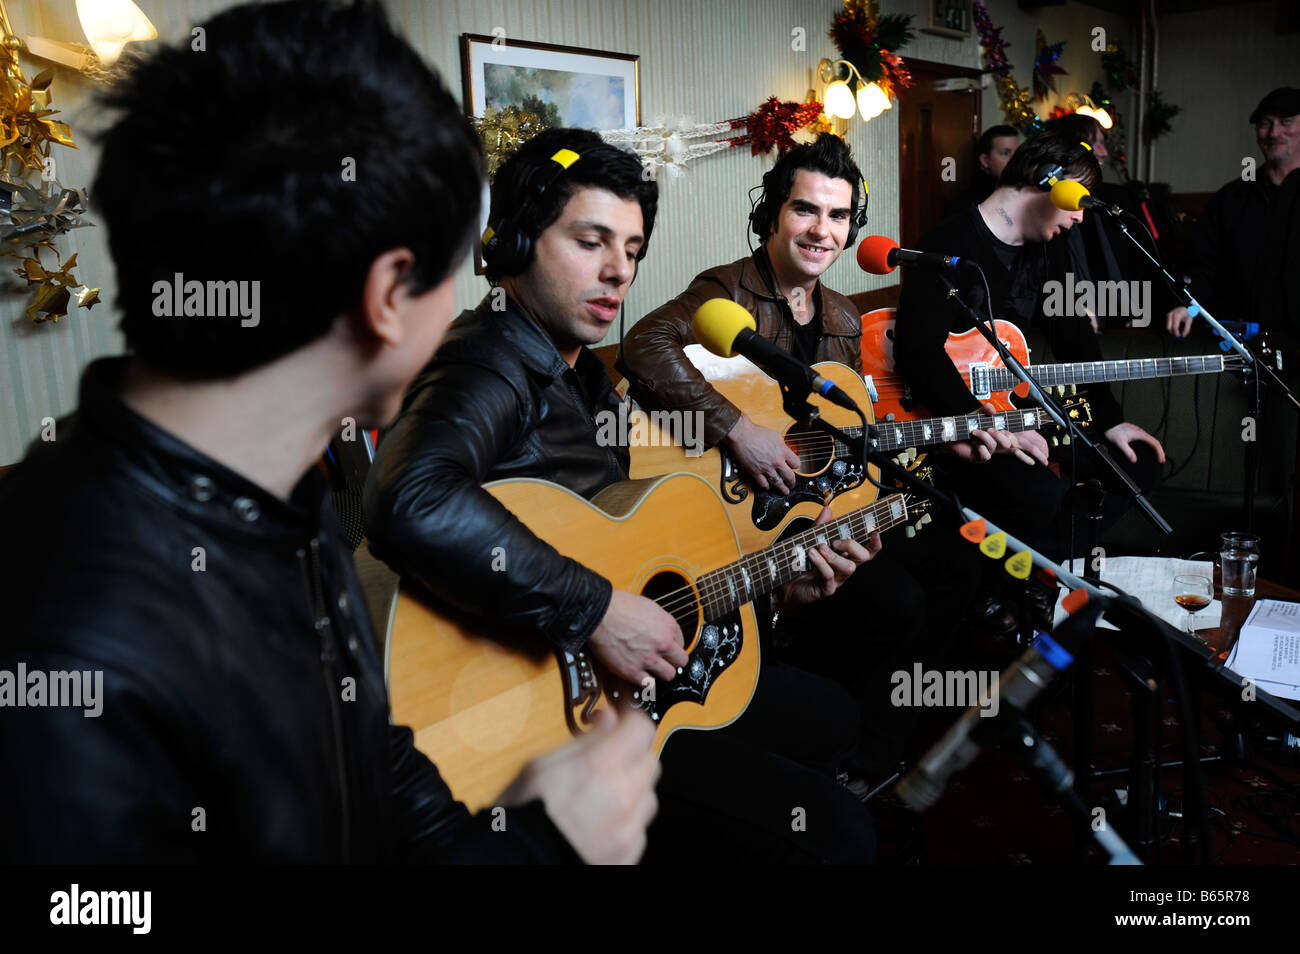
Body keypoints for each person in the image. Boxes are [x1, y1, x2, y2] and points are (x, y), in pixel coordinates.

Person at [0, 0, 660, 864]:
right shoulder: (67, 643)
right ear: (389, 296)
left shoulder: (283, 491)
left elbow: (370, 761)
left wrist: (508, 835)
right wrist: (546, 843)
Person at [364, 127, 879, 862]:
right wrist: (598, 611)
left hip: (619, 677)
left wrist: (782, 581)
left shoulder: (584, 377)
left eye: (632, 250)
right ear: (512, 244)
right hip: (551, 705)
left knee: (831, 718)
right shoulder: (488, 360)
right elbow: (411, 498)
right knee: (840, 832)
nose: (618, 272)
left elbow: (631, 542)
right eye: (590, 241)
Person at [618, 134, 998, 778]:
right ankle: (835, 748)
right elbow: (643, 345)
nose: (822, 230)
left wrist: (938, 436)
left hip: (800, 514)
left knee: (955, 565)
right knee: (896, 602)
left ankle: (879, 753)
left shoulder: (844, 318)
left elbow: (841, 439)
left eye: (839, 215)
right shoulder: (726, 290)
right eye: (805, 210)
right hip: (731, 519)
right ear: (773, 214)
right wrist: (737, 427)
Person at [893, 130, 1166, 566]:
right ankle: (1023, 578)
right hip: (960, 426)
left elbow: (1073, 337)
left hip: (1015, 414)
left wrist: (1110, 420)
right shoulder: (948, 242)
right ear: (1046, 177)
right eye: (1078, 199)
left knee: (1139, 462)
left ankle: (1030, 573)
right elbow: (918, 352)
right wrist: (991, 426)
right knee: (1041, 493)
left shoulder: (1050, 248)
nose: (1080, 217)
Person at [1166, 87, 1300, 348]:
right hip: (1240, 346)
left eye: (1286, 122)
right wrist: (1189, 308)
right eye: (1265, 124)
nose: (1274, 133)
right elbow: (1203, 267)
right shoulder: (1231, 198)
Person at [947, 125, 1020, 215]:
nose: (1015, 159)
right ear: (985, 160)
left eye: (1018, 153)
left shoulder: (1023, 192)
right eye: (1005, 153)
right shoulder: (969, 204)